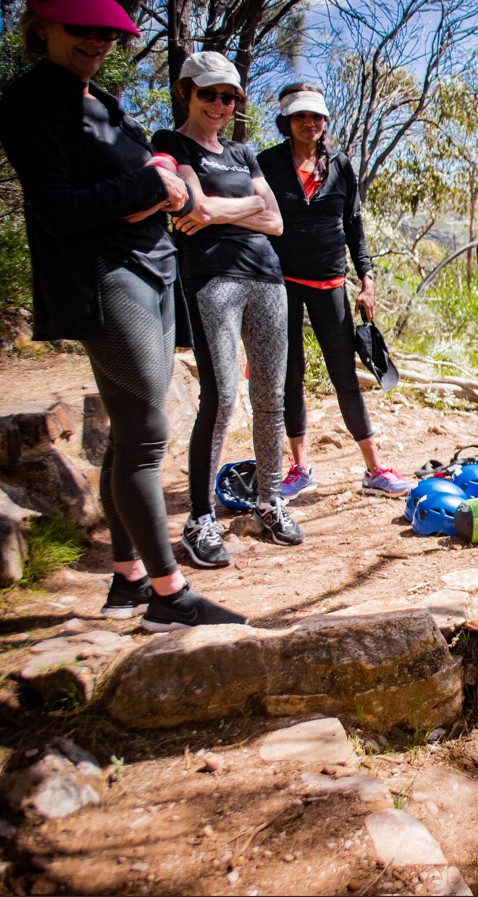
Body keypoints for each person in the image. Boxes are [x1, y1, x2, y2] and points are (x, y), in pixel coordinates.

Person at [0, 0, 246, 630]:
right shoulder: (31, 100)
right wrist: (151, 187)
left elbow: (156, 181)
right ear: (42, 27)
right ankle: (170, 595)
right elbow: (56, 209)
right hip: (107, 276)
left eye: (108, 32)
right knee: (145, 432)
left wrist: (162, 180)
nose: (98, 41)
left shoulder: (103, 102)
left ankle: (129, 577)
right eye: (82, 29)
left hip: (155, 269)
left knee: (128, 433)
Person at [152, 51, 303, 568]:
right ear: (186, 93)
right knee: (219, 400)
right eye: (209, 94)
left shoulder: (242, 153)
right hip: (212, 279)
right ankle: (199, 519)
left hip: (267, 278)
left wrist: (220, 211)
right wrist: (244, 207)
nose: (219, 104)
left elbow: (276, 221)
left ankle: (269, 501)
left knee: (271, 398)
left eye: (229, 97)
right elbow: (193, 208)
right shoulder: (172, 143)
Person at [257, 82, 411, 498]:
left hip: (330, 283)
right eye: (300, 116)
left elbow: (354, 226)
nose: (309, 123)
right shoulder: (267, 164)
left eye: (316, 116)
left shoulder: (340, 166)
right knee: (290, 375)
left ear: (325, 121)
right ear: (286, 121)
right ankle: (299, 468)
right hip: (281, 285)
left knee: (345, 374)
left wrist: (367, 279)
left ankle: (375, 469)